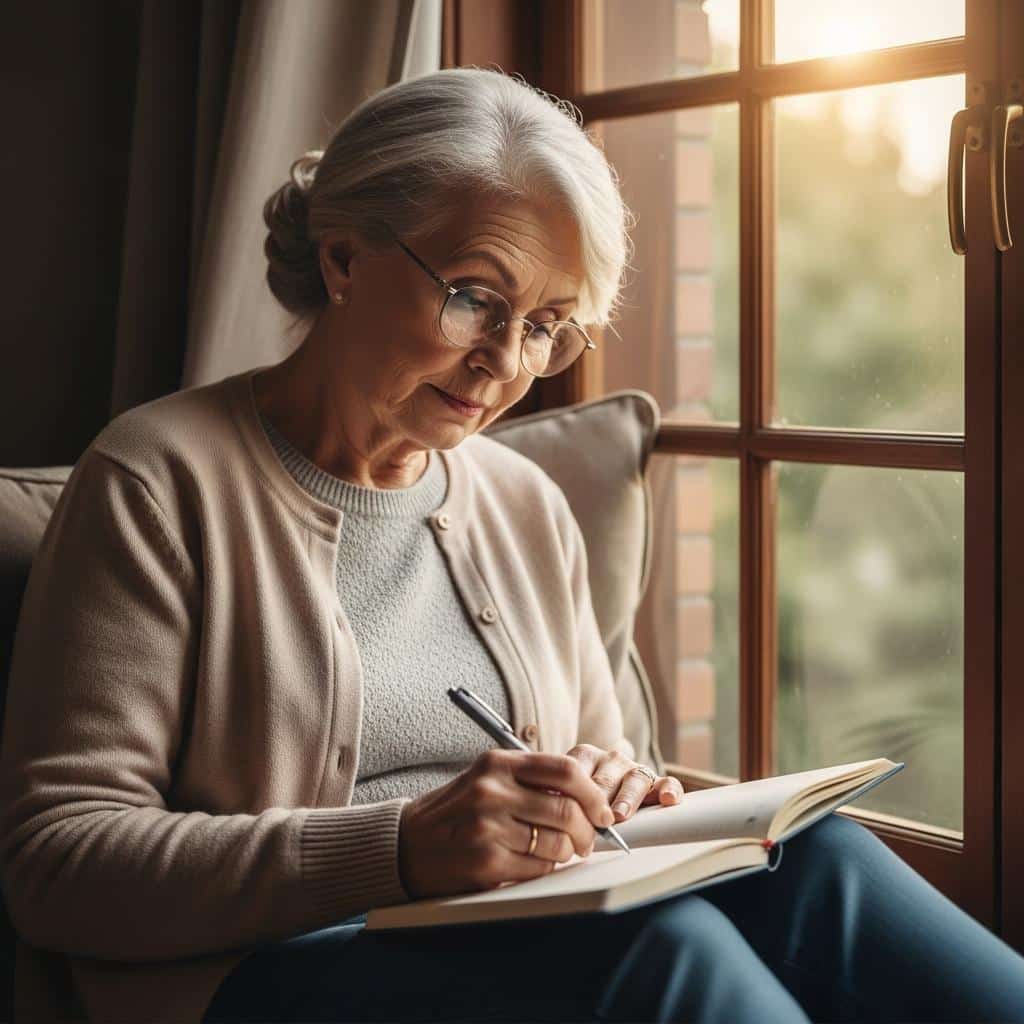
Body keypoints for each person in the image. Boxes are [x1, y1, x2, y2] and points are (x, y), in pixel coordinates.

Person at [2, 66, 1024, 1024]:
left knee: (813, 861)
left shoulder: (523, 503)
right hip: (264, 974)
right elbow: (57, 863)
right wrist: (400, 848)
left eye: (546, 326)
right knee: (656, 947)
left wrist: (621, 788)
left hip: (514, 935)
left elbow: (600, 758)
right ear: (345, 257)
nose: (503, 361)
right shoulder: (156, 479)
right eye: (475, 298)